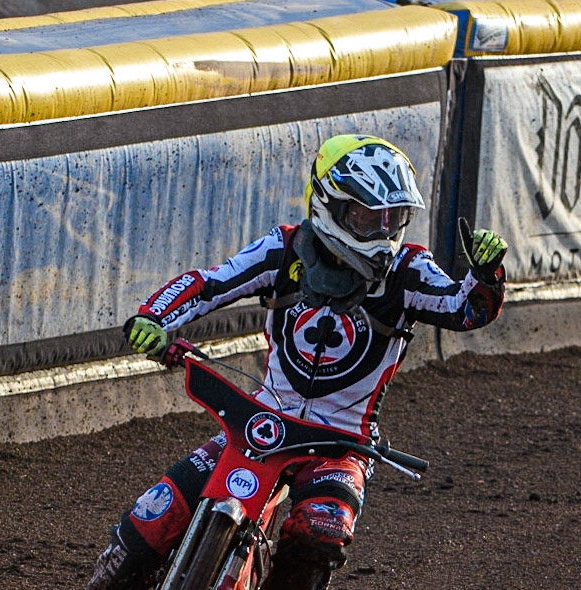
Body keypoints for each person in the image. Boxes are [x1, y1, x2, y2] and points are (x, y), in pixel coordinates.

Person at [88, 134, 508, 590]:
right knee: (148, 522)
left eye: (394, 219)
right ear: (332, 206)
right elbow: (211, 285)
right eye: (369, 218)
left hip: (341, 443)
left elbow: (463, 308)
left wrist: (486, 276)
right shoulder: (284, 249)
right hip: (261, 421)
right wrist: (154, 318)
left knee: (320, 535)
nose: (383, 234)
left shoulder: (409, 269)